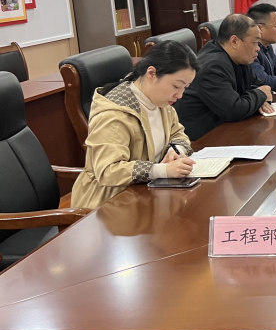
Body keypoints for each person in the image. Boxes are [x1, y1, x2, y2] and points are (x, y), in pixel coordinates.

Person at [71, 41, 198, 208]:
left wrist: (176, 150)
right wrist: (162, 170)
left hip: (147, 193)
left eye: (185, 88)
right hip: (109, 204)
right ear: (151, 73)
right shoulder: (115, 114)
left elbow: (177, 133)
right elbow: (108, 171)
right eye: (176, 86)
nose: (180, 95)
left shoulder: (160, 102)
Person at [174, 14, 274, 141]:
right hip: (202, 140)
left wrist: (260, 99)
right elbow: (234, 110)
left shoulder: (240, 58)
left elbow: (259, 85)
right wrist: (260, 96)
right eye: (254, 42)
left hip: (227, 129)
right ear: (234, 41)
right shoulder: (212, 66)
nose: (258, 48)